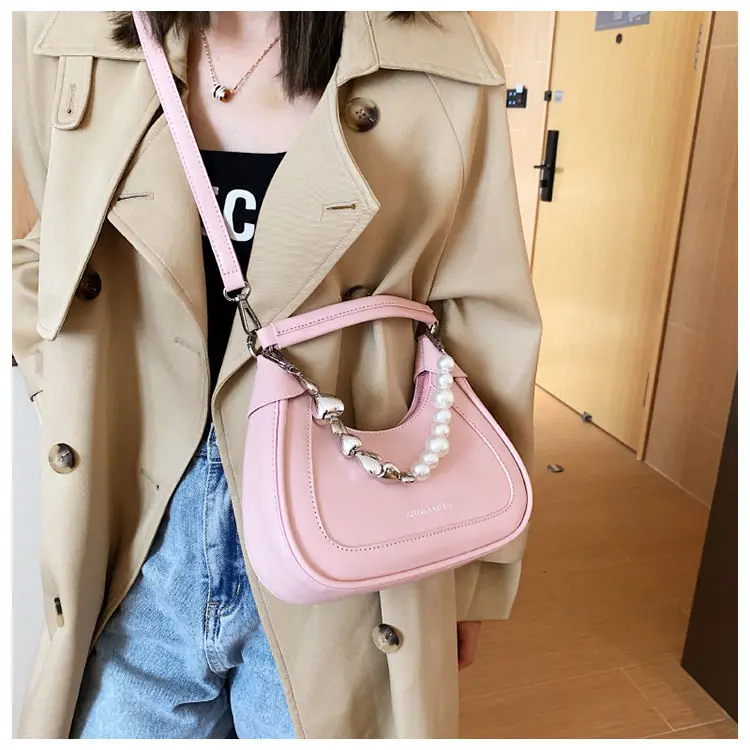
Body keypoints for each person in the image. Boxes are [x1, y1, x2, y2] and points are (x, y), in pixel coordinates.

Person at [12, 10, 542, 739]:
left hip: (347, 521)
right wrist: (62, 391)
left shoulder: (438, 55)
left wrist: (476, 577)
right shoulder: (67, 34)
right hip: (137, 533)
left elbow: (484, 319)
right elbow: (45, 248)